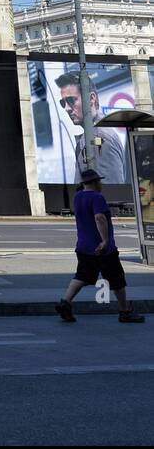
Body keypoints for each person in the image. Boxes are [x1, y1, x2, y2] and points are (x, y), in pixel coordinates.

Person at [55, 169, 143, 324]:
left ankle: (65, 302)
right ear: (95, 182)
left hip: (83, 247)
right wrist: (104, 241)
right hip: (103, 250)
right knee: (117, 280)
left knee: (82, 276)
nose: (101, 184)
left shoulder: (77, 197)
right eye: (99, 181)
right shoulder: (97, 197)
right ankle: (124, 312)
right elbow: (99, 217)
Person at [54, 70, 127, 185]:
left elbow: (111, 191)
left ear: (91, 98)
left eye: (71, 100)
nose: (66, 108)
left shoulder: (100, 137)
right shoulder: (93, 135)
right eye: (63, 103)